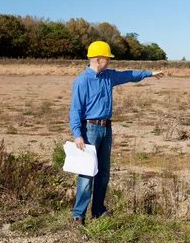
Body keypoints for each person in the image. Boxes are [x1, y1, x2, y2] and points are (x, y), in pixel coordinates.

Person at [69, 40, 164, 225]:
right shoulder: (81, 81)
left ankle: (98, 210)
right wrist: (77, 134)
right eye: (107, 58)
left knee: (103, 173)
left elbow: (129, 75)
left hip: (107, 129)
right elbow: (75, 110)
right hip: (89, 130)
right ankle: (78, 215)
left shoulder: (109, 76)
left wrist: (150, 74)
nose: (110, 61)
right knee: (87, 173)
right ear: (98, 59)